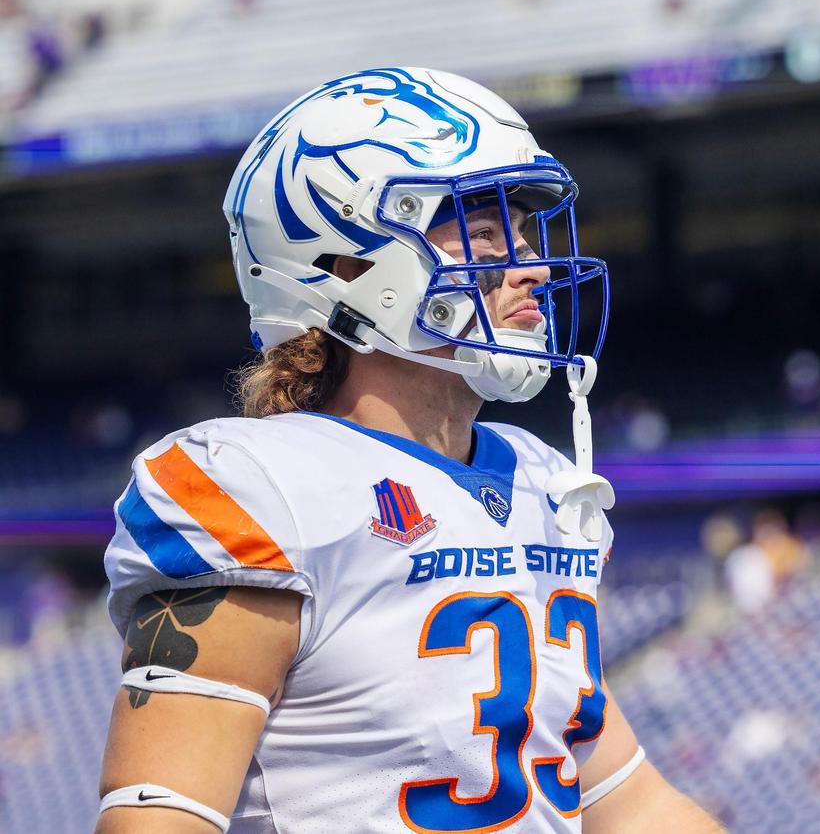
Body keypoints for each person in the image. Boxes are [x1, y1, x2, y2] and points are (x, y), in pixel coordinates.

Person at [96, 67, 723, 833]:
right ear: (347, 262)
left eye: (522, 234)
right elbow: (160, 820)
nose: (528, 265)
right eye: (486, 232)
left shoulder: (541, 485)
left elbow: (628, 802)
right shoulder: (261, 489)